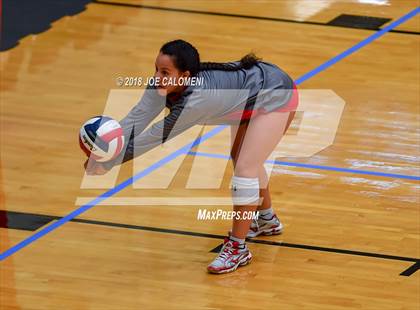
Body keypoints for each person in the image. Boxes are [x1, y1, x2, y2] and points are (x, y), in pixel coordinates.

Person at [85, 39, 298, 274]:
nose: (157, 76)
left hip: (275, 93)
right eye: (156, 68)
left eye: (165, 72)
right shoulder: (162, 83)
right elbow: (136, 119)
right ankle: (267, 220)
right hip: (250, 93)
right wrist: (102, 150)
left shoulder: (197, 100)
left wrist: (111, 162)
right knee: (242, 159)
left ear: (185, 76)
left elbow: (156, 135)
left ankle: (238, 249)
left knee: (246, 168)